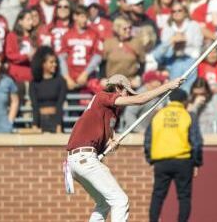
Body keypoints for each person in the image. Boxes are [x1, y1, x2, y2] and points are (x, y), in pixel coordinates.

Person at [65, 73, 184, 222]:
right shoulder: (102, 96)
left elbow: (98, 140)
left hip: (78, 161)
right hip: (84, 159)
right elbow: (140, 100)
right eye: (126, 91)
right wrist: (168, 86)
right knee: (120, 200)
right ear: (117, 87)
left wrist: (110, 144)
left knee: (103, 203)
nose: (127, 95)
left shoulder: (106, 112)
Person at [143, 88, 203, 222]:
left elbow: (148, 140)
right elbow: (196, 142)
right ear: (185, 101)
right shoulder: (188, 115)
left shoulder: (158, 115)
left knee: (158, 195)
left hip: (161, 162)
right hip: (183, 161)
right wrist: (196, 162)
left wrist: (151, 160)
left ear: (169, 100)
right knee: (184, 197)